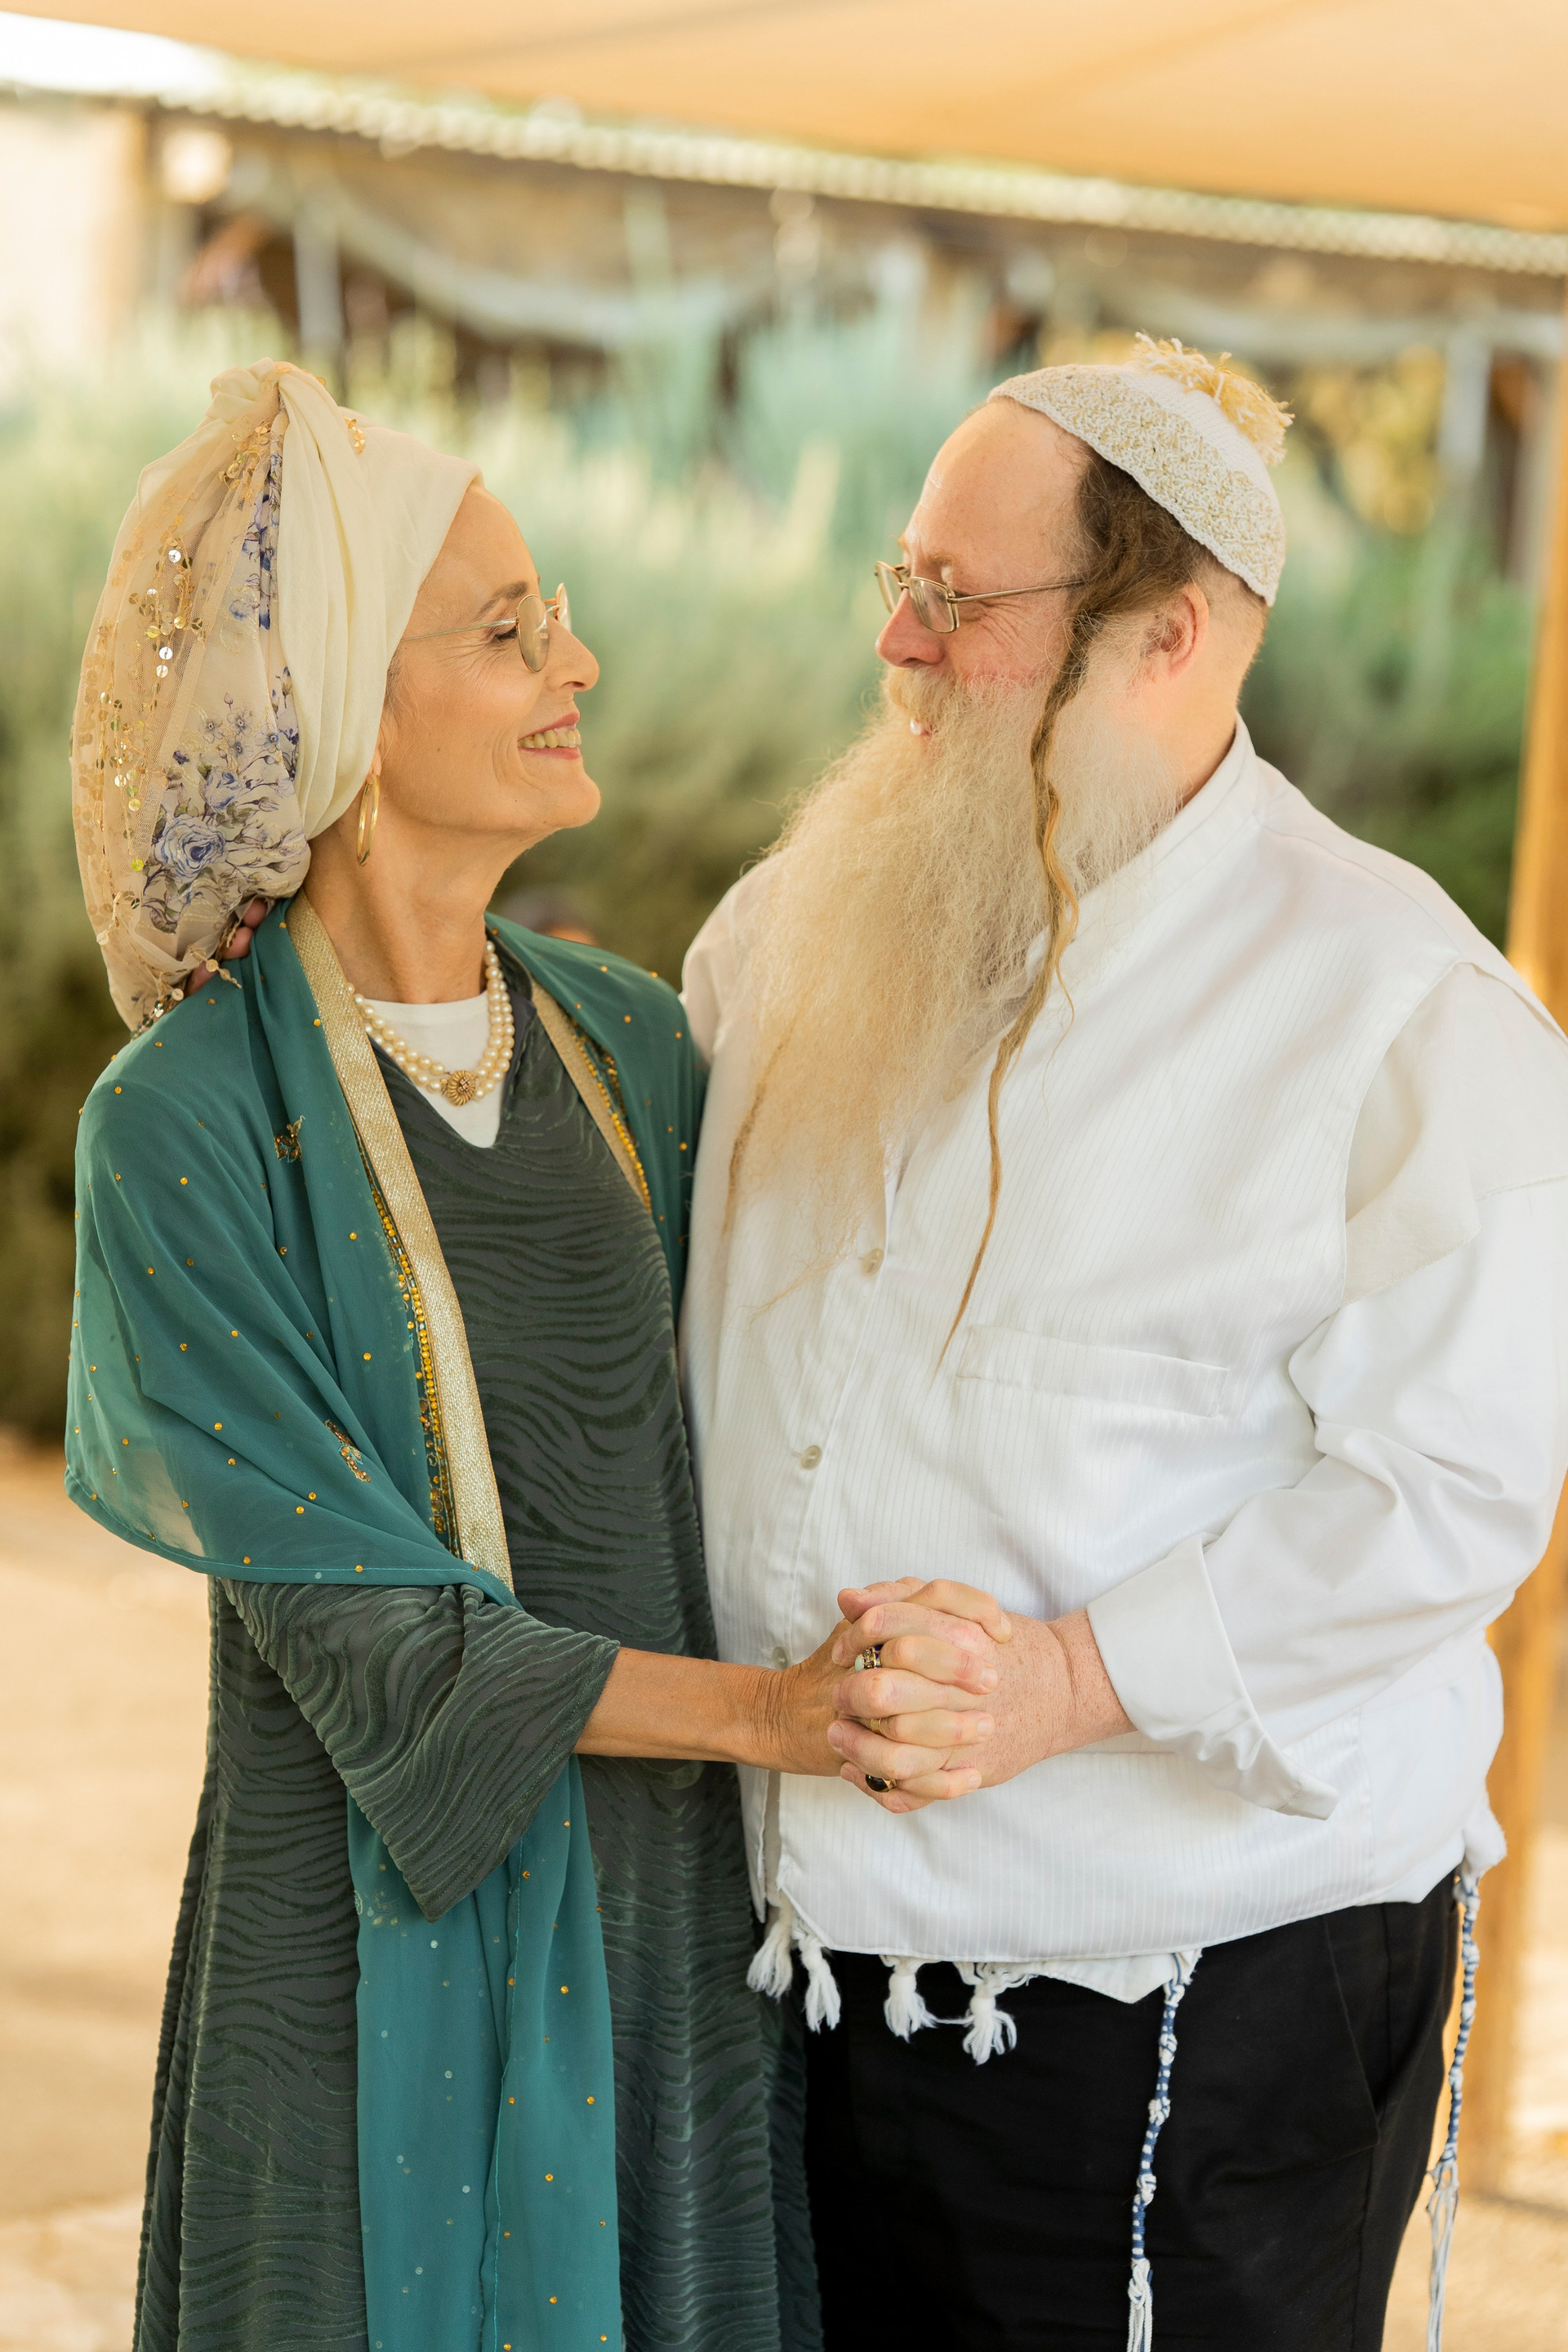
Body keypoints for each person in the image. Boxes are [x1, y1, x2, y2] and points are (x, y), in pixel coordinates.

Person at [65, 361, 987, 2352]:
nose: (578, 660)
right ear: (338, 706)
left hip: (662, 1927)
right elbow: (374, 1642)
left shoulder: (629, 1044)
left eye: (553, 613)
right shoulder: (187, 1126)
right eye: (505, 631)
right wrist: (772, 1719)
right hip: (355, 1942)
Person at [679, 336, 1568, 2350]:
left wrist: (1072, 1681)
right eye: (901, 580)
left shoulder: (1401, 1010)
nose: (899, 646)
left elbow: (1452, 1494)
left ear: (1170, 633)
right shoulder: (792, 923)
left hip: (1187, 1999)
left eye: (960, 600)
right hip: (799, 1962)